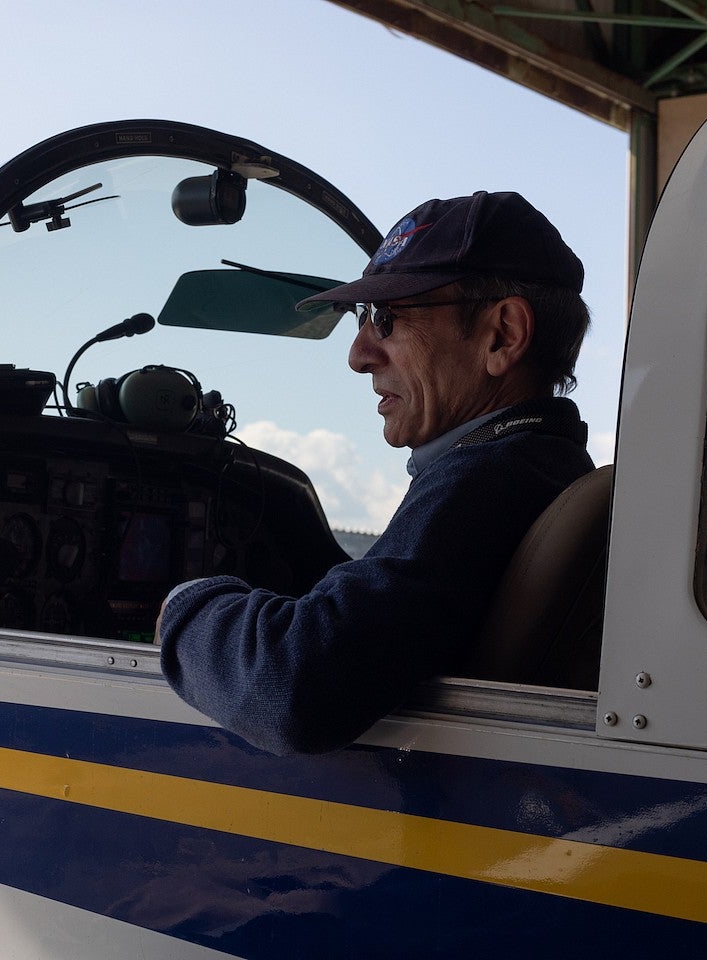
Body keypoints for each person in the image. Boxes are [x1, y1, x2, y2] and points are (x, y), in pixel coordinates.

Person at [157, 191, 596, 755]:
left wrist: (185, 610)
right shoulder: (547, 466)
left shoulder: (489, 481)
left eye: (386, 320)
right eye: (363, 320)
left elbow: (294, 687)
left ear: (502, 335)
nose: (359, 354)